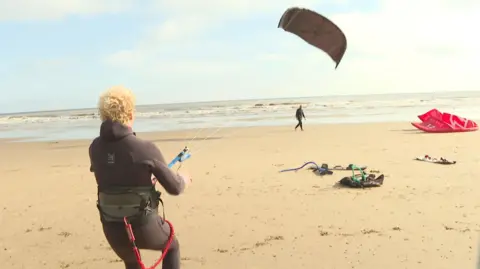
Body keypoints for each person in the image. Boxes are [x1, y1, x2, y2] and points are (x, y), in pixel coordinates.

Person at [88, 86, 191, 269]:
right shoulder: (146, 148)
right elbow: (174, 188)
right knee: (172, 246)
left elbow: (114, 175)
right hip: (144, 227)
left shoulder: (94, 148)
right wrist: (184, 179)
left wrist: (146, 180)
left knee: (130, 259)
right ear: (129, 113)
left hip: (113, 230)